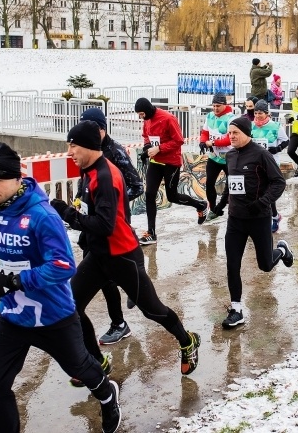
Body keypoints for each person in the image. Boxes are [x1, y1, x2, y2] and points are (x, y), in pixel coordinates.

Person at [0, 142, 122, 433]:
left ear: (17, 178)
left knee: (80, 368)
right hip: (12, 314)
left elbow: (64, 265)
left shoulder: (43, 215)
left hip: (53, 315)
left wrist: (17, 280)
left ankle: (108, 395)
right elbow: (3, 253)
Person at [50, 122, 201, 381]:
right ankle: (96, 361)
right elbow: (92, 212)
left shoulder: (105, 177)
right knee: (70, 307)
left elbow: (104, 225)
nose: (69, 152)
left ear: (88, 146)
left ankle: (187, 341)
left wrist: (66, 213)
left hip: (122, 256)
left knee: (153, 310)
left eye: (73, 146)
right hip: (98, 255)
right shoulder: (88, 170)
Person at [79, 107, 144, 345]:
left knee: (109, 275)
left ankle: (120, 321)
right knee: (103, 277)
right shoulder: (86, 150)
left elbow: (137, 185)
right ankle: (120, 320)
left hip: (113, 227)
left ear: (101, 129)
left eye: (88, 128)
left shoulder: (115, 152)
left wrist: (110, 203)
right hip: (92, 226)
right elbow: (85, 184)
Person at [221, 117, 293, 329]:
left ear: (246, 133)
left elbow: (279, 182)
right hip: (235, 219)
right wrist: (220, 205)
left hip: (258, 217)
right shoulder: (230, 155)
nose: (231, 136)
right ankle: (236, 310)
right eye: (230, 133)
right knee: (232, 264)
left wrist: (262, 202)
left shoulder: (261, 154)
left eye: (235, 133)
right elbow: (230, 183)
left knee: (265, 265)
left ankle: (281, 250)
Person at [134, 97, 209, 245]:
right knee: (149, 194)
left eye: (142, 114)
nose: (140, 117)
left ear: (147, 110)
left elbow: (179, 140)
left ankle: (200, 205)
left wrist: (159, 148)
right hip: (155, 162)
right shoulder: (147, 121)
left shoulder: (168, 118)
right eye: (139, 115)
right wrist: (147, 148)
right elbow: (146, 137)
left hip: (171, 162)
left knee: (172, 196)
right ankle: (151, 233)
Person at [250, 100, 289, 233]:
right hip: (255, 163)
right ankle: (261, 216)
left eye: (260, 113)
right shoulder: (251, 126)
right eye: (255, 113)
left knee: (268, 191)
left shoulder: (275, 126)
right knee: (257, 189)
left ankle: (274, 217)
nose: (257, 116)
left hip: (271, 163)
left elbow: (286, 141)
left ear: (267, 113)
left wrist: (277, 149)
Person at [200, 93, 234, 222]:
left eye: (218, 106)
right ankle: (213, 209)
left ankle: (223, 206)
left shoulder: (230, 118)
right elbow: (205, 133)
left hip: (229, 158)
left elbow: (229, 139)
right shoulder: (210, 116)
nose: (215, 108)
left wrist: (213, 143)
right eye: (213, 106)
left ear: (225, 105)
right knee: (209, 183)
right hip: (214, 157)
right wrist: (202, 142)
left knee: (230, 184)